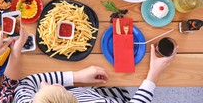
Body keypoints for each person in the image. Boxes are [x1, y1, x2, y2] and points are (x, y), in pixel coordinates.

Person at [13, 44, 176, 103]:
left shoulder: (25, 101)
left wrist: (77, 77)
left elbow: (26, 83)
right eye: (54, 87)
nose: (44, 83)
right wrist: (154, 73)